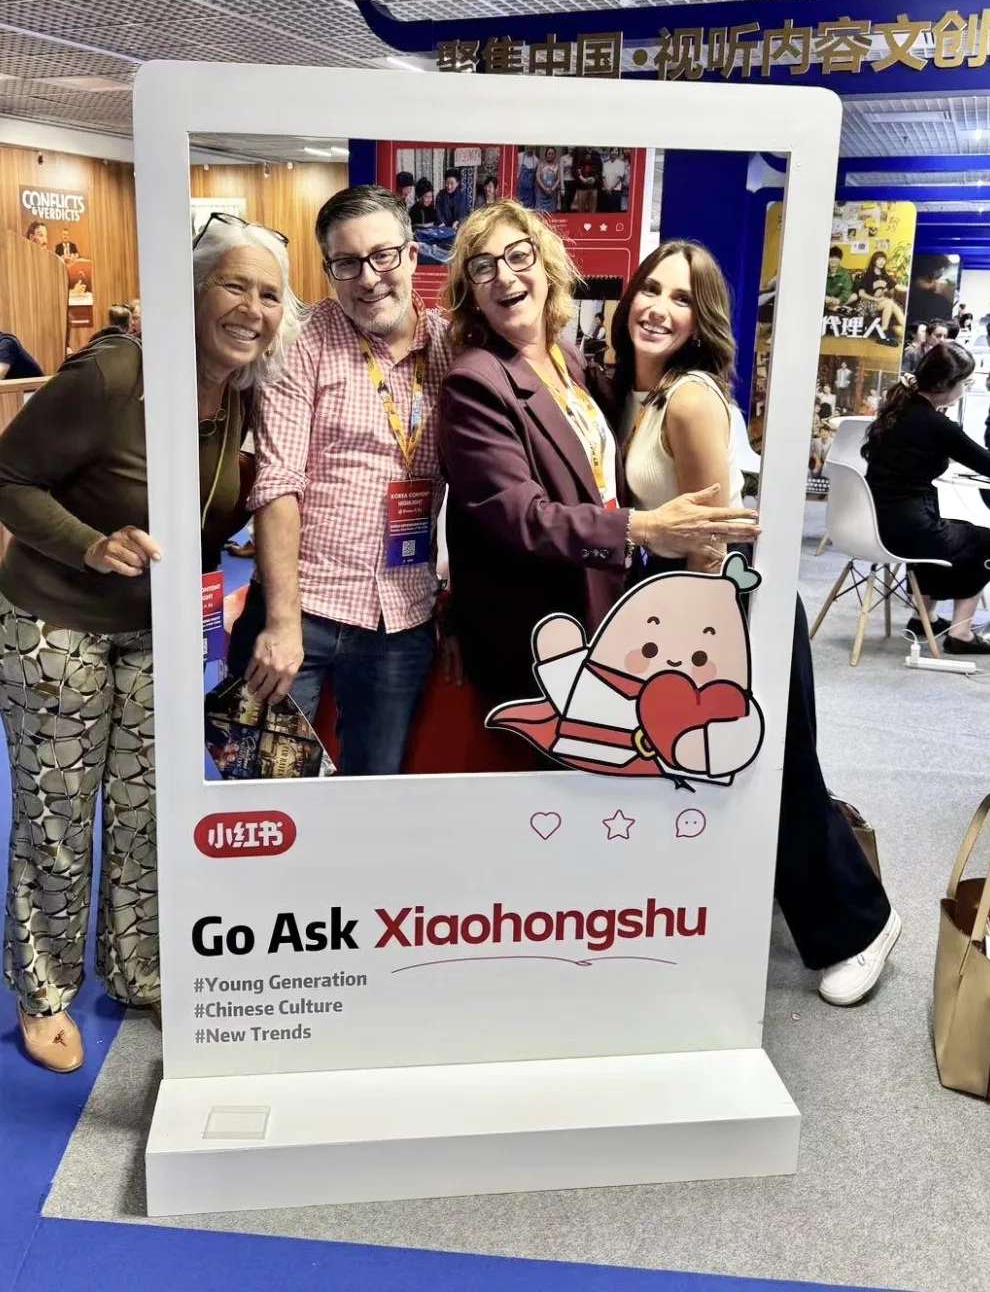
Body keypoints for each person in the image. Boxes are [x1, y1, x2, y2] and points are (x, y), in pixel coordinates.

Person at [0, 211, 297, 1072]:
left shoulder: (243, 395)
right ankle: (44, 991)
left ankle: (138, 968)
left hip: (158, 629)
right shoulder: (115, 374)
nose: (251, 309)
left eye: (269, 295)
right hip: (57, 621)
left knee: (145, 809)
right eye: (234, 286)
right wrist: (88, 543)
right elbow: (9, 477)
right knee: (58, 813)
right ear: (193, 293)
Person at [610, 238, 899, 1005]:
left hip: (729, 606)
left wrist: (701, 643)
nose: (659, 308)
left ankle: (863, 927)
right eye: (651, 289)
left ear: (699, 319)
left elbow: (716, 537)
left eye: (681, 298)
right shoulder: (643, 393)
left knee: (779, 769)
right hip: (686, 605)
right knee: (720, 770)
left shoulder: (689, 397)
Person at [437, 201, 760, 718]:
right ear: (470, 292)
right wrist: (642, 528)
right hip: (544, 628)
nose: (504, 276)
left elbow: (703, 538)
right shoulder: (476, 381)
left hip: (618, 611)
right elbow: (519, 517)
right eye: (483, 266)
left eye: (518, 256)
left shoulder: (566, 358)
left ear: (547, 267)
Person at [227, 186, 451, 776]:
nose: (368, 279)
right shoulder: (303, 340)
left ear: (412, 255)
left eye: (382, 256)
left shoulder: (451, 349)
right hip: (302, 609)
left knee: (372, 793)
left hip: (401, 620)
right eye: (346, 263)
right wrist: (281, 622)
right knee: (264, 790)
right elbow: (277, 482)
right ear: (328, 270)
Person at [865, 342, 990, 655]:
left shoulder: (896, 410)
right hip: (909, 532)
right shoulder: (938, 426)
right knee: (984, 540)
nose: (965, 389)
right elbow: (985, 462)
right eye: (964, 383)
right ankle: (961, 633)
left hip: (877, 524)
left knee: (955, 530)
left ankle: (924, 618)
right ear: (946, 384)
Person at [852, 251, 904, 345]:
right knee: (889, 302)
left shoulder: (884, 275)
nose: (882, 262)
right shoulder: (868, 275)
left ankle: (902, 328)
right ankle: (883, 333)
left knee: (891, 303)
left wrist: (911, 289)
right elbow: (861, 294)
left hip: (877, 304)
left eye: (883, 259)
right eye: (879, 259)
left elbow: (898, 287)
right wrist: (876, 299)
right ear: (874, 261)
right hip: (865, 305)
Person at [823, 247, 853, 313]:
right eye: (831, 257)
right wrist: (825, 297)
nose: (833, 260)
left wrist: (839, 299)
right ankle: (832, 307)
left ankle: (833, 307)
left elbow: (847, 290)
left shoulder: (845, 273)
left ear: (840, 259)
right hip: (826, 299)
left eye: (836, 258)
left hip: (838, 299)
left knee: (854, 296)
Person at [534, 148, 561, 214]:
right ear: (546, 155)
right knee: (540, 214)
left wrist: (552, 189)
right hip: (541, 194)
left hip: (552, 194)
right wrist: (545, 188)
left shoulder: (557, 166)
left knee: (551, 215)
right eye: (549, 154)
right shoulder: (541, 164)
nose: (550, 155)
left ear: (555, 155)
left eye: (552, 154)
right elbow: (537, 177)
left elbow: (558, 179)